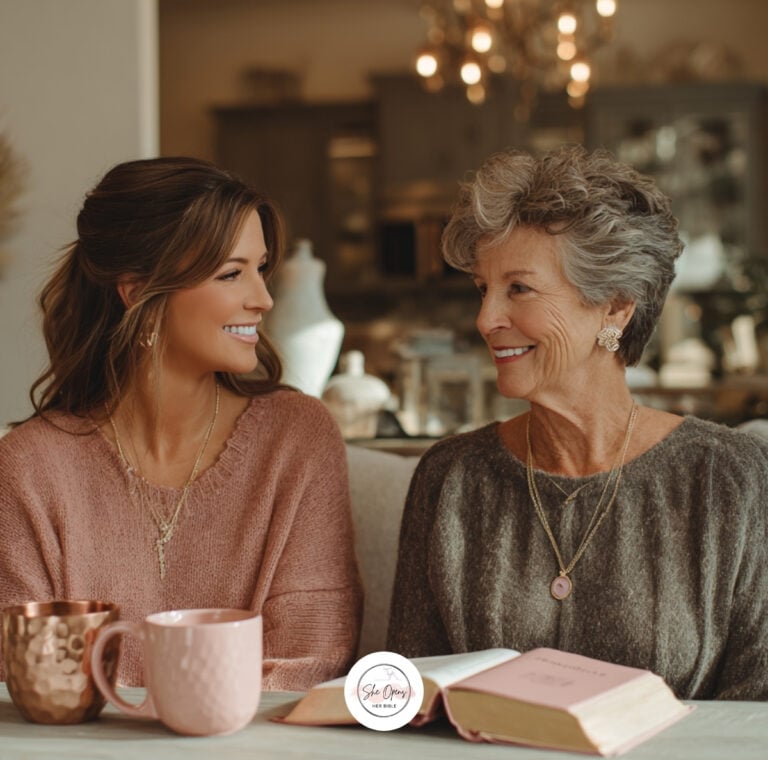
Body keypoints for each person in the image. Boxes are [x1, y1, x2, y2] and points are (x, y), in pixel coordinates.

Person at [387, 145, 768, 700]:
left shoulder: (731, 478)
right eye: (482, 290)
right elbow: (403, 695)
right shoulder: (450, 479)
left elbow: (759, 713)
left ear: (614, 306)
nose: (486, 319)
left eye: (518, 288)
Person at [0, 157, 362, 690]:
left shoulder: (296, 437)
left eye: (261, 269)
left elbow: (310, 662)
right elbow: (33, 683)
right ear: (137, 292)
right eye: (232, 273)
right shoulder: (31, 465)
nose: (262, 299)